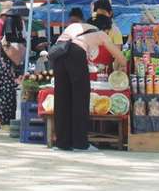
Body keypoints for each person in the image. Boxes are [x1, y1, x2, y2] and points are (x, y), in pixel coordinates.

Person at [50, 20, 127, 151]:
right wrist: (124, 63)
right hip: (75, 51)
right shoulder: (100, 33)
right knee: (80, 98)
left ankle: (62, 143)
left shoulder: (76, 27)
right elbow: (118, 55)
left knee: (62, 99)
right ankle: (80, 144)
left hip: (58, 52)